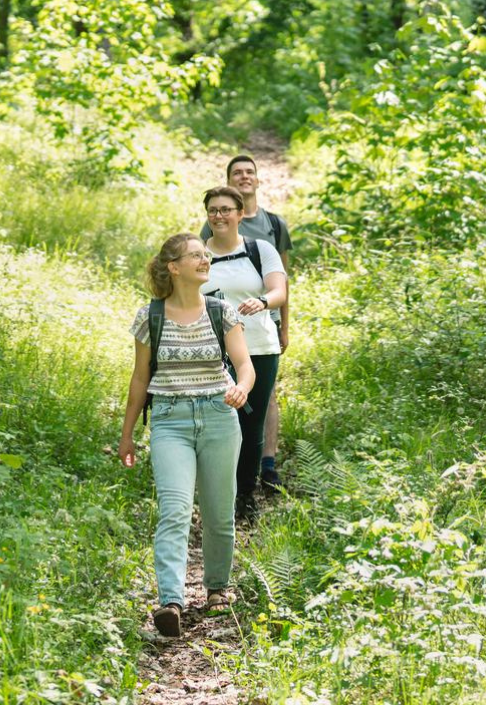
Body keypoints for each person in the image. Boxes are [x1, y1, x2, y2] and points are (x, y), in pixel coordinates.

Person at [118, 233, 255, 638]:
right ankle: (171, 601)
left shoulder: (222, 312)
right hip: (169, 421)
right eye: (195, 255)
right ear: (173, 267)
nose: (204, 259)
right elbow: (140, 378)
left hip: (218, 416)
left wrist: (242, 388)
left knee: (218, 512)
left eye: (206, 254)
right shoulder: (150, 317)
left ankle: (217, 588)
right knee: (175, 509)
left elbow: (245, 366)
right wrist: (127, 435)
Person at [199, 155, 292, 496]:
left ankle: (245, 498)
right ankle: (219, 496)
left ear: (240, 214)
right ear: (208, 216)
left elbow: (280, 289)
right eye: (214, 211)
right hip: (212, 352)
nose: (220, 216)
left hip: (259, 347)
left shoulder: (261, 248)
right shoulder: (197, 253)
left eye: (226, 210)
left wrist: (264, 302)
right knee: (220, 426)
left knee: (252, 428)